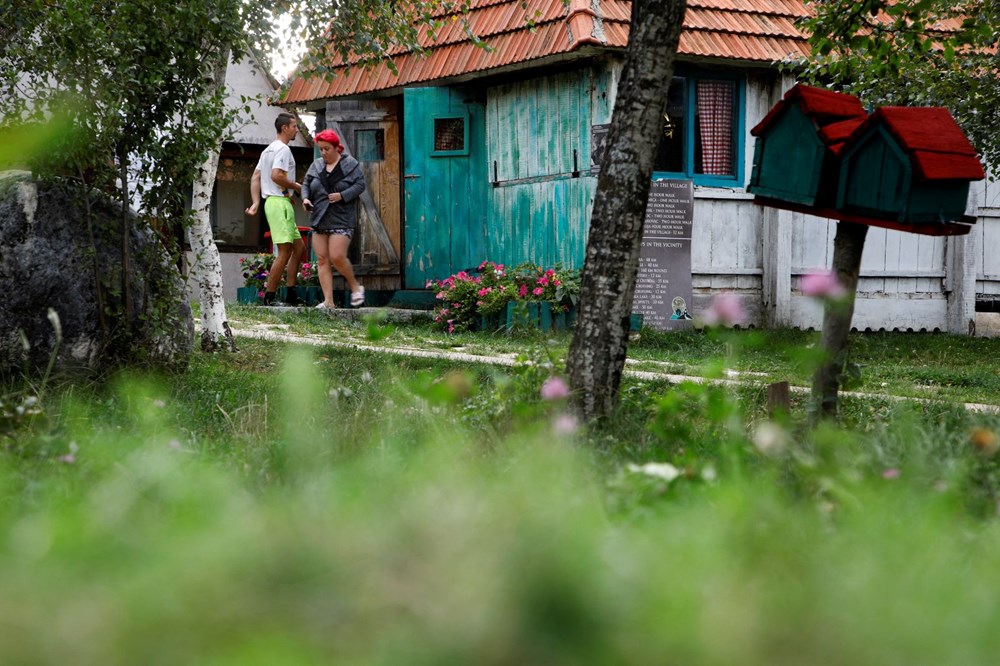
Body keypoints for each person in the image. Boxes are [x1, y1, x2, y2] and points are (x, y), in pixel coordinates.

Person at [245, 112, 306, 306]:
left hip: (276, 202)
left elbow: (256, 177)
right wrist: (297, 187)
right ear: (285, 128)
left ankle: (290, 295)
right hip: (279, 203)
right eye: (294, 126)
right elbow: (276, 176)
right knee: (285, 251)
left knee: (299, 248)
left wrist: (256, 202)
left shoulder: (267, 151)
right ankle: (269, 298)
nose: (297, 129)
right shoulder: (283, 150)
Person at [301, 129, 366, 309]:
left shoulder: (350, 164)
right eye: (321, 149)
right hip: (319, 217)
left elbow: (361, 185)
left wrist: (343, 195)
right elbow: (306, 184)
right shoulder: (316, 165)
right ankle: (329, 302)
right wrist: (305, 198)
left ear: (337, 148)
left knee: (337, 256)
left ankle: (355, 286)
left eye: (326, 149)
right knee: (322, 259)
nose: (323, 153)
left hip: (341, 217)